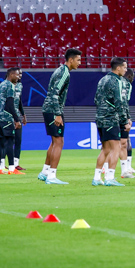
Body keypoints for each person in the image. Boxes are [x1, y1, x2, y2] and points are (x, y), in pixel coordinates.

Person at [39, 49, 81, 184]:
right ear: (71, 60)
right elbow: (55, 93)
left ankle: (45, 172)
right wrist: (57, 113)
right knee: (58, 142)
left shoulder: (60, 70)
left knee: (55, 141)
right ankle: (52, 176)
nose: (80, 63)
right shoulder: (64, 73)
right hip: (53, 109)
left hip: (49, 108)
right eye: (78, 60)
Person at [93, 59, 128, 186]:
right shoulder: (117, 81)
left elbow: (96, 99)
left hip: (100, 117)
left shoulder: (102, 80)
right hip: (111, 118)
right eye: (124, 67)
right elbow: (119, 102)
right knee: (116, 147)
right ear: (118, 68)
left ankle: (97, 178)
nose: (125, 70)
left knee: (105, 149)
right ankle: (110, 177)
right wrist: (125, 121)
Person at [0, 67, 23, 175]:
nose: (19, 77)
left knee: (1, 143)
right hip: (6, 118)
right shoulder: (10, 85)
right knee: (10, 142)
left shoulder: (1, 84)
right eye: (17, 75)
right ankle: (11, 169)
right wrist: (17, 119)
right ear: (11, 75)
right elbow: (10, 105)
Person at [118, 67, 135, 178]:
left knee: (111, 144)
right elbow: (124, 103)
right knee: (121, 144)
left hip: (112, 116)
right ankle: (123, 170)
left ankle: (123, 170)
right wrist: (127, 118)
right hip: (118, 118)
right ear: (130, 76)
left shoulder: (114, 81)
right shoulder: (127, 85)